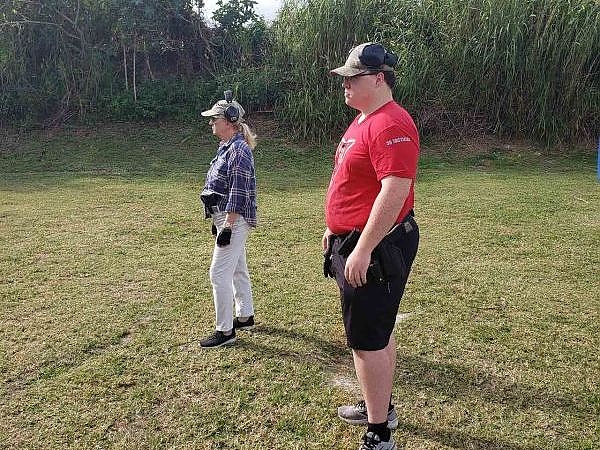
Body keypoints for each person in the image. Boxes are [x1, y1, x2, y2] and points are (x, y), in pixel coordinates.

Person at [323, 43, 420, 450]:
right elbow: (353, 183)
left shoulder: (389, 123)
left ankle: (379, 433)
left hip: (377, 247)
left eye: (353, 77)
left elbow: (395, 190)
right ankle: (379, 405)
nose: (345, 83)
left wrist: (362, 248)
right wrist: (333, 229)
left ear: (379, 78)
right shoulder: (365, 119)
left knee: (366, 339)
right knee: (377, 332)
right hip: (359, 239)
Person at [198, 92, 258, 349]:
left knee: (218, 273)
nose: (211, 123)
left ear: (230, 121)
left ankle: (225, 331)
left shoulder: (239, 151)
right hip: (225, 216)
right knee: (236, 268)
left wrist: (228, 226)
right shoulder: (227, 147)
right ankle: (245, 315)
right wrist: (217, 219)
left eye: (215, 119)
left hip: (234, 218)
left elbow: (239, 192)